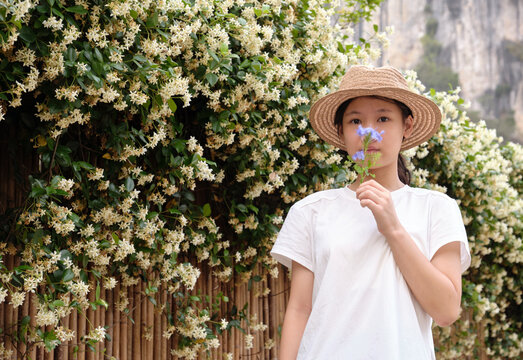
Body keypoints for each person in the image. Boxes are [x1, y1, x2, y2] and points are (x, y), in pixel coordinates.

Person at [270, 65, 471, 360]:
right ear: (341, 131)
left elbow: (447, 311)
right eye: (355, 121)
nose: (371, 132)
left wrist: (393, 228)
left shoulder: (436, 209)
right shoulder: (310, 212)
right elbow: (300, 309)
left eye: (384, 118)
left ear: (408, 126)